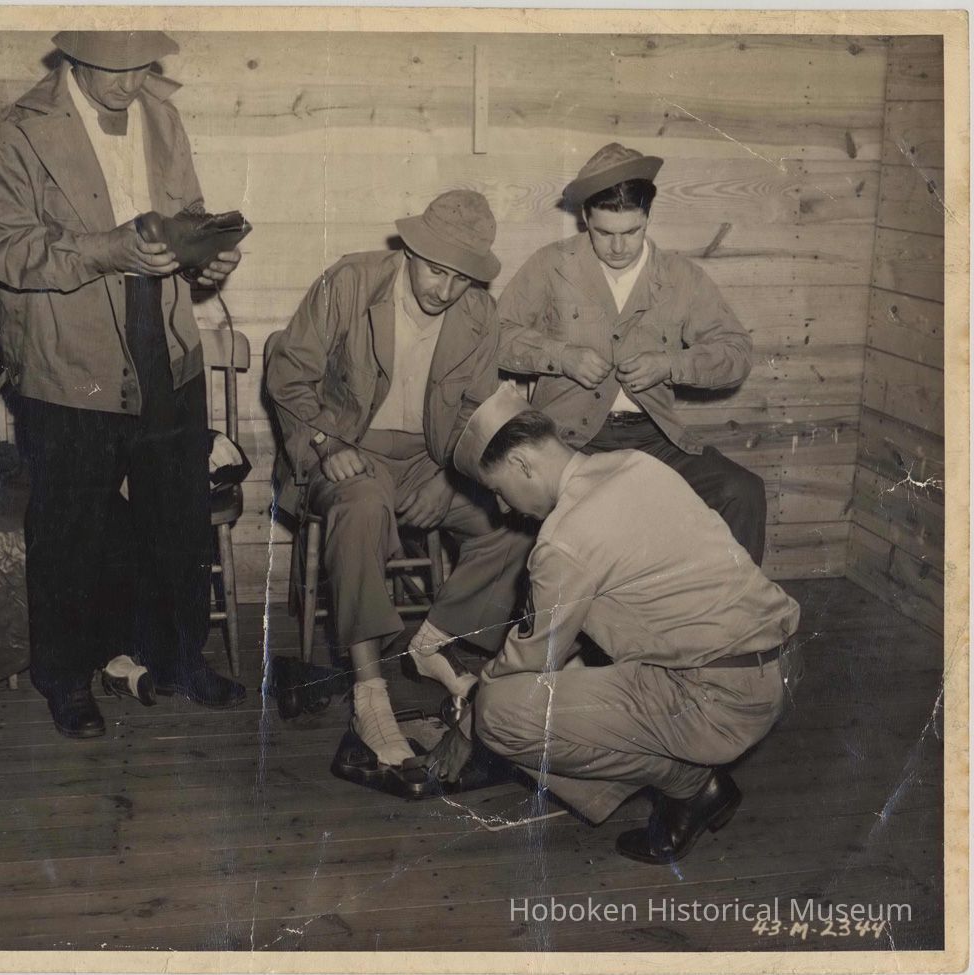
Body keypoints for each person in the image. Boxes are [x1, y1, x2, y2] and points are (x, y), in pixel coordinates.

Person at [0, 30, 246, 739]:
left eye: (141, 65)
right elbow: (1, 246)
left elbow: (186, 218)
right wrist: (106, 250)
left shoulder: (162, 117)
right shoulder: (20, 131)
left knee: (178, 515)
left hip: (166, 344)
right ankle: (65, 678)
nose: (130, 82)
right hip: (69, 357)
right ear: (73, 56)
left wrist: (205, 260)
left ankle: (179, 658)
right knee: (71, 527)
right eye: (113, 68)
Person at [428, 387, 799, 864]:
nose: (502, 507)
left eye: (498, 490)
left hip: (722, 700)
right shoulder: (635, 465)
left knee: (498, 713)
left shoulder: (563, 539)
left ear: (522, 463)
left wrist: (467, 726)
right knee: (564, 675)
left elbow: (528, 660)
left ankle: (691, 786)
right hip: (779, 665)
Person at [265, 191, 532, 767]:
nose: (445, 289)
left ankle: (431, 642)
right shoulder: (350, 282)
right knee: (361, 507)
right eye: (436, 270)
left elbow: (474, 414)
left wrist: (450, 480)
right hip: (347, 450)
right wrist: (325, 443)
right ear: (411, 251)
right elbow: (287, 374)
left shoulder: (479, 314)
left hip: (429, 460)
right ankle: (370, 694)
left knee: (517, 517)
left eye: (461, 278)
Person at [497, 142, 767, 565]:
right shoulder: (551, 266)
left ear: (648, 217)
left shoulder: (680, 277)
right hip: (569, 441)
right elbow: (497, 336)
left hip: (653, 439)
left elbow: (736, 353)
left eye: (632, 232)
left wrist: (671, 365)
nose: (619, 247)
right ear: (585, 217)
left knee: (742, 492)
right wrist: (562, 356)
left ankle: (731, 607)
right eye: (604, 233)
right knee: (594, 528)